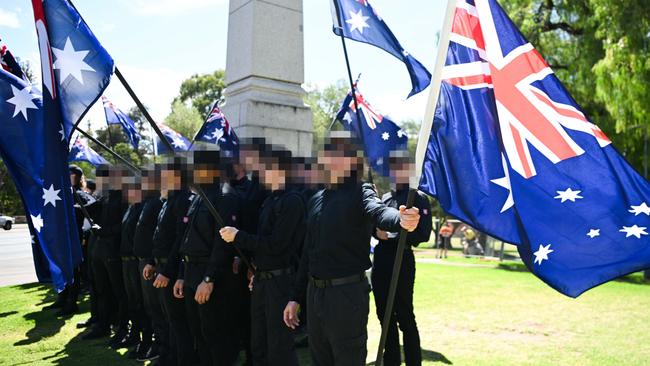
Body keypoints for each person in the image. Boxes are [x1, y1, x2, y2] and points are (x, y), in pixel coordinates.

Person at [283, 132, 421, 365]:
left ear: (352, 161)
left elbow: (378, 211)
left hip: (346, 295)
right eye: (329, 153)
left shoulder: (361, 190)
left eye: (341, 154)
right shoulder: (316, 198)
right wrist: (295, 297)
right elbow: (309, 252)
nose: (333, 159)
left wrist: (400, 219)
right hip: (315, 295)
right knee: (320, 360)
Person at [220, 146, 304, 366]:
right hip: (262, 280)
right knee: (259, 345)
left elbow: (276, 245)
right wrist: (255, 268)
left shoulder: (292, 201)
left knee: (279, 348)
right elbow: (262, 241)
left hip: (280, 282)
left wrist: (239, 237)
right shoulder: (269, 201)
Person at [174, 150, 241, 366]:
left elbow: (222, 244)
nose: (193, 171)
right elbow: (188, 239)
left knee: (216, 336)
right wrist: (182, 275)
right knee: (199, 335)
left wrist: (209, 279)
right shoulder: (199, 197)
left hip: (212, 277)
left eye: (198, 167)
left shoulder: (224, 196)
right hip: (192, 273)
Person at [372, 153, 432, 366]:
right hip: (382, 258)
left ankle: (414, 362)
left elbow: (423, 233)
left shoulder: (417, 198)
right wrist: (377, 232)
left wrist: (395, 235)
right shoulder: (385, 199)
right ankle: (391, 362)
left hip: (403, 258)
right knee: (383, 315)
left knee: (404, 314)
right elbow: (374, 224)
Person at [150, 158, 197, 366]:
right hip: (161, 266)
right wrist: (153, 262)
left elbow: (179, 241)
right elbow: (161, 236)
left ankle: (183, 360)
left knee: (179, 322)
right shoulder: (168, 199)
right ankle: (169, 356)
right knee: (168, 318)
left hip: (173, 270)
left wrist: (169, 272)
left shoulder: (183, 200)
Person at [82, 165, 129, 346]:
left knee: (119, 292)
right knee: (102, 290)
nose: (100, 182)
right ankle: (103, 324)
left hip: (114, 251)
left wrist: (105, 231)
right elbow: (88, 209)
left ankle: (123, 327)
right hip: (99, 251)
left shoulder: (124, 197)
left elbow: (124, 225)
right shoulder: (102, 196)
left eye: (103, 178)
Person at [45, 165, 95, 316]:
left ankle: (71, 302)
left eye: (71, 175)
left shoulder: (80, 195)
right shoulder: (61, 193)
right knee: (61, 269)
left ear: (77, 177)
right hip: (62, 238)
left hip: (76, 238)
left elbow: (90, 214)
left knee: (74, 270)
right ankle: (62, 296)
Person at [134, 166, 166, 363]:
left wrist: (150, 260)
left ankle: (162, 346)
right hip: (144, 262)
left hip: (152, 263)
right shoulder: (147, 202)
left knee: (157, 308)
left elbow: (158, 236)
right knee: (150, 307)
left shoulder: (157, 203)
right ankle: (157, 343)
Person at [118, 178, 146, 350]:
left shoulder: (143, 207)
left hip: (136, 261)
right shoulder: (130, 208)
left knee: (141, 303)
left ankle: (144, 338)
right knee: (132, 301)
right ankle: (134, 334)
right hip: (126, 261)